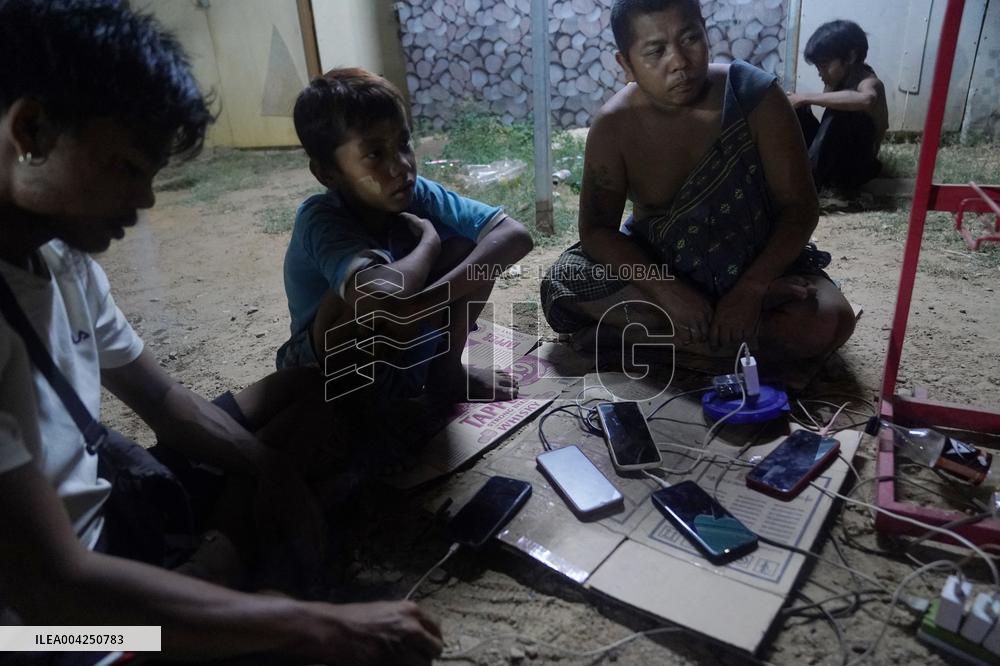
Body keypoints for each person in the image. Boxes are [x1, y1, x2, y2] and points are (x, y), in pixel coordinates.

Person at [0, 1, 441, 662]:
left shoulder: (58, 259)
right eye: (128, 168)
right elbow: (56, 590)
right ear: (31, 129)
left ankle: (217, 565)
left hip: (107, 528)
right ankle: (219, 576)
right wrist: (318, 624)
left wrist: (272, 470)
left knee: (308, 389)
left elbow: (168, 404)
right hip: (47, 628)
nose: (146, 201)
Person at [540, 0, 856, 378]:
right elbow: (596, 231)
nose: (679, 61)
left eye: (690, 38)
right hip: (664, 268)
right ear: (626, 65)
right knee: (563, 281)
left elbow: (799, 209)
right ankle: (714, 341)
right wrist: (666, 289)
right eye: (656, 51)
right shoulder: (613, 126)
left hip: (757, 261)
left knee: (830, 320)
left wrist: (752, 288)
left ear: (706, 34)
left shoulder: (754, 96)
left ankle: (639, 339)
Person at [278, 68, 533, 405]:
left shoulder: (416, 192)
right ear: (327, 172)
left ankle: (446, 373)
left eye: (403, 143)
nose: (400, 165)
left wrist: (420, 305)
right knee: (349, 298)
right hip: (320, 369)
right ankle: (350, 411)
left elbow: (515, 236)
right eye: (375, 154)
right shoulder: (320, 218)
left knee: (472, 248)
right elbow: (379, 298)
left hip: (395, 343)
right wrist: (429, 242)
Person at [788, 20, 888, 190]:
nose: (820, 72)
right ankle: (790, 170)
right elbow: (827, 100)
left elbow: (866, 99)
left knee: (842, 113)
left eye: (824, 65)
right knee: (798, 109)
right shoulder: (839, 80)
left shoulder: (869, 82)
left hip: (856, 167)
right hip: (834, 159)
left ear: (850, 57)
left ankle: (808, 185)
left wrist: (805, 97)